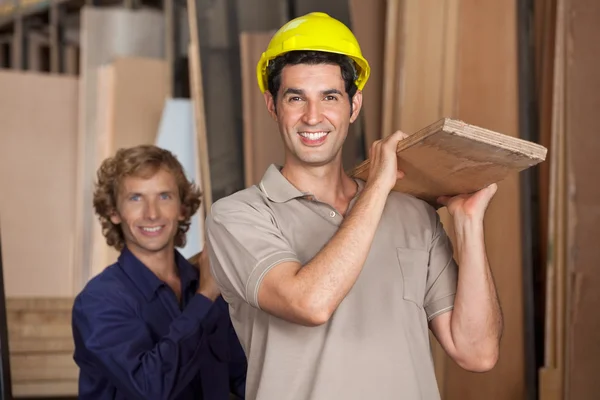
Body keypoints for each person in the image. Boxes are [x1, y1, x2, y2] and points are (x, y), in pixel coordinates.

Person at [205, 12, 503, 400]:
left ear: (354, 104)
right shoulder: (238, 216)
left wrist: (468, 225)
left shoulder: (412, 216)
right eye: (296, 98)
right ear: (272, 105)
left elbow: (477, 353)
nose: (313, 117)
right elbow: (310, 303)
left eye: (330, 97)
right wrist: (378, 187)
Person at [71, 145, 247, 399]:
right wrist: (205, 297)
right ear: (114, 212)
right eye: (135, 198)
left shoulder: (207, 282)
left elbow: (245, 377)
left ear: (183, 208)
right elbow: (150, 388)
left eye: (164, 196)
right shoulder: (98, 301)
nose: (151, 214)